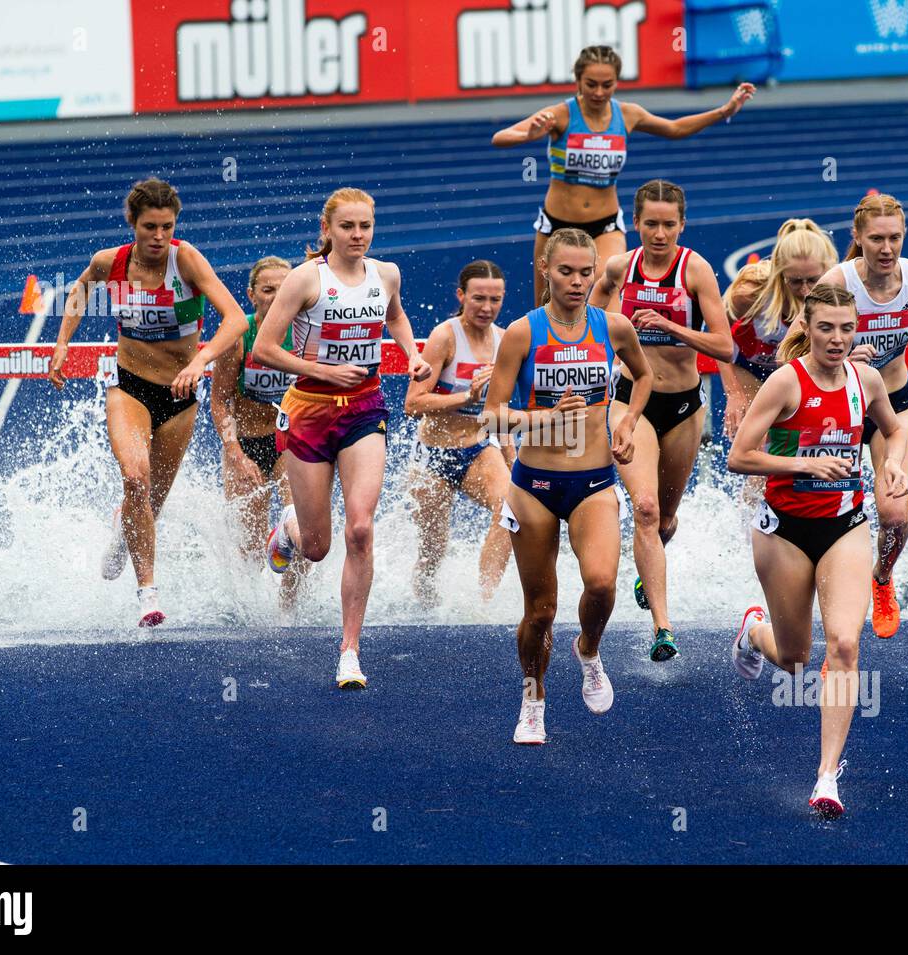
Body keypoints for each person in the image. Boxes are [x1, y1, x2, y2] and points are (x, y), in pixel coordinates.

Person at [727, 284, 908, 818]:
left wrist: (890, 462)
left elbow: (894, 432)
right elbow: (740, 457)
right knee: (795, 659)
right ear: (805, 327)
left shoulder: (866, 380)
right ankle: (753, 632)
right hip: (783, 529)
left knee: (846, 646)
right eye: (826, 327)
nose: (837, 338)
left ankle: (827, 776)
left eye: (847, 328)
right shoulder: (786, 382)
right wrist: (804, 466)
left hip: (843, 526)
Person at [48, 177, 249, 628]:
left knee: (149, 505)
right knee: (135, 479)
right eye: (149, 227)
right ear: (133, 225)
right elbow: (79, 291)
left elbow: (235, 318)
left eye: (167, 226)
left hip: (180, 395)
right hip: (129, 386)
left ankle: (123, 533)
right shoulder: (110, 262)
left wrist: (201, 360)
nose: (159, 236)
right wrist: (62, 342)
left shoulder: (188, 260)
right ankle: (148, 593)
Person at [255, 187, 431, 689]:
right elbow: (266, 348)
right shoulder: (305, 279)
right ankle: (290, 526)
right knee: (315, 548)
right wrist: (324, 373)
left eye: (365, 227)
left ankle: (349, 650)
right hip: (309, 409)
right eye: (348, 227)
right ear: (327, 230)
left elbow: (393, 314)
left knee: (360, 529)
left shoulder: (386, 274)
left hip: (365, 408)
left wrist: (411, 353)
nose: (358, 236)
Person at [482, 228, 652, 744]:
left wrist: (626, 424)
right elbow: (491, 420)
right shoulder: (521, 333)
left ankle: (589, 649)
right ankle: (533, 698)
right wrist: (547, 419)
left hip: (594, 480)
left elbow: (642, 377)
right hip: (534, 483)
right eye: (566, 271)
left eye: (586, 272)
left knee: (601, 584)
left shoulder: (614, 328)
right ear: (545, 272)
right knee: (540, 610)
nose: (577, 282)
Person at [586, 180, 732, 661]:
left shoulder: (696, 270)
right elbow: (588, 311)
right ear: (636, 223)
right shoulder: (618, 268)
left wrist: (670, 327)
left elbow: (725, 346)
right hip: (630, 402)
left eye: (670, 224)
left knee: (665, 518)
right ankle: (663, 628)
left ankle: (649, 571)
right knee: (645, 508)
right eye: (651, 223)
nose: (660, 233)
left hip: (685, 405)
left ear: (682, 225)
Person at [491, 45, 756, 306]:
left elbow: (675, 128)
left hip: (605, 226)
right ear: (578, 80)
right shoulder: (560, 115)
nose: (598, 92)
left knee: (607, 293)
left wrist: (724, 111)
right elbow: (500, 137)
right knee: (546, 307)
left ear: (617, 82)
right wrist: (528, 135)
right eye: (591, 84)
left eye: (607, 85)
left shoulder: (627, 114)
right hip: (556, 225)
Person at [814, 193, 908, 639]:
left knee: (894, 515)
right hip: (841, 410)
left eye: (894, 238)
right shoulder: (837, 281)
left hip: (894, 405)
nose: (886, 249)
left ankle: (883, 577)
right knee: (824, 510)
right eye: (876, 239)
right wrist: (844, 352)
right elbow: (789, 350)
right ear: (857, 238)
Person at [403, 260, 515, 606]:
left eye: (495, 300)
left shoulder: (505, 340)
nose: (486, 308)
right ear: (461, 296)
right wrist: (467, 396)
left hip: (478, 448)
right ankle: (423, 604)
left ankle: (484, 602)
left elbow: (502, 409)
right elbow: (413, 403)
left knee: (512, 511)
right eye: (478, 298)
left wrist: (513, 459)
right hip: (433, 454)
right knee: (433, 547)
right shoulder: (445, 336)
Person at [209, 255, 302, 612]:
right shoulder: (239, 337)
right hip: (246, 443)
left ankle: (288, 611)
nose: (278, 297)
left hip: (291, 443)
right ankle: (253, 613)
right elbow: (219, 402)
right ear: (252, 295)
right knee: (248, 547)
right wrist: (234, 452)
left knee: (302, 530)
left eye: (284, 290)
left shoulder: (306, 333)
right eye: (268, 290)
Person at [718, 220, 839, 442]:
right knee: (761, 440)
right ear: (780, 274)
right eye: (795, 282)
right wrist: (734, 393)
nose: (805, 290)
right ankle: (758, 476)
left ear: (827, 270)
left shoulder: (838, 294)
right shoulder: (751, 293)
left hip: (799, 370)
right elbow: (717, 333)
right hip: (751, 368)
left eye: (813, 280)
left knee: (807, 436)